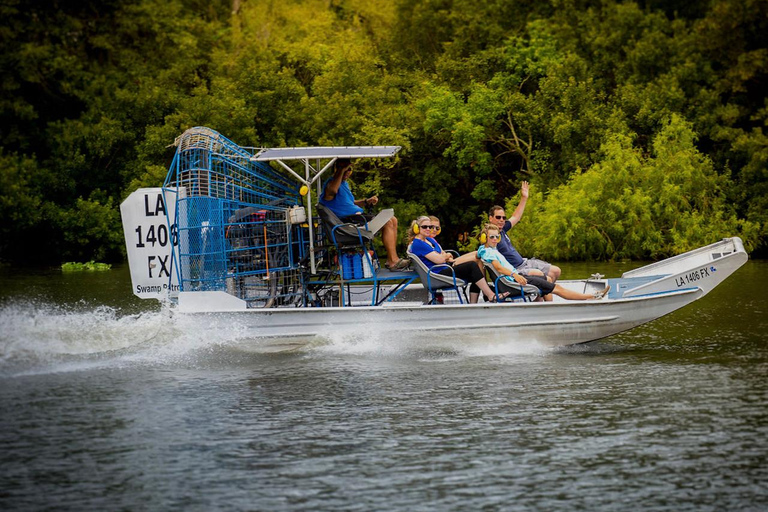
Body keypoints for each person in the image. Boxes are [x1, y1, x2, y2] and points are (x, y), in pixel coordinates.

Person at [478, 224, 610, 301]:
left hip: (514, 280)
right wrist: (515, 275)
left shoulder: (484, 250)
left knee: (547, 279)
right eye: (492, 237)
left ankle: (544, 307)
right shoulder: (490, 252)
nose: (495, 239)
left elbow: (478, 255)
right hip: (514, 282)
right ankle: (591, 297)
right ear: (485, 238)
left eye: (497, 236)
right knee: (556, 288)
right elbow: (498, 268)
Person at [320, 158, 409, 270]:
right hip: (349, 223)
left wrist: (367, 201)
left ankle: (391, 259)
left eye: (349, 169)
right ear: (337, 169)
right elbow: (332, 192)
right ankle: (393, 262)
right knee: (388, 222)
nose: (348, 172)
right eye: (345, 169)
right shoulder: (331, 184)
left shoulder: (344, 184)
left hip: (357, 218)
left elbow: (349, 203)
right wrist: (341, 170)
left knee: (392, 219)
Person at [410, 216, 506, 303]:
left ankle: (477, 302)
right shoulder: (418, 244)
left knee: (478, 260)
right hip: (438, 273)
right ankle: (490, 294)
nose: (428, 229)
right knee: (472, 266)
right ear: (417, 228)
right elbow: (439, 260)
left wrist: (444, 256)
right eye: (424, 227)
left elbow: (442, 254)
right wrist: (445, 256)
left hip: (445, 266)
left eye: (430, 227)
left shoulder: (428, 239)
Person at [489, 181, 561, 282]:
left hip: (524, 262)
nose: (501, 220)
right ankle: (543, 294)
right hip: (517, 269)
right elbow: (485, 254)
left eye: (503, 217)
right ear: (491, 218)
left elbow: (516, 217)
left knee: (556, 271)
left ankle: (540, 296)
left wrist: (524, 198)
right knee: (544, 278)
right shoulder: (490, 237)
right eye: (498, 217)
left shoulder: (503, 228)